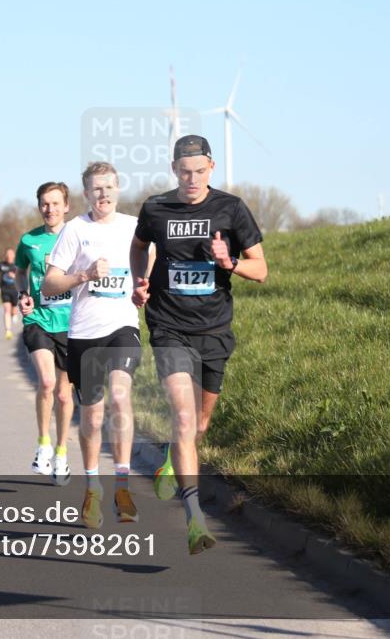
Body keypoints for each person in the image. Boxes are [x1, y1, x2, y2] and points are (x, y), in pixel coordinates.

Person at [130, 135, 267, 554]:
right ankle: (195, 519)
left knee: (199, 426)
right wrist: (139, 281)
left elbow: (261, 269)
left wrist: (230, 264)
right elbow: (138, 248)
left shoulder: (231, 208)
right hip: (168, 326)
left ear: (211, 168)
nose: (192, 179)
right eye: (184, 172)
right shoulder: (155, 208)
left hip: (214, 330)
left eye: (200, 172)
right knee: (184, 419)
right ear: (174, 170)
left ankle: (174, 458)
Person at [42, 161, 141, 529]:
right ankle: (92, 487)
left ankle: (123, 486)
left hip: (122, 327)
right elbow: (48, 285)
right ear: (87, 194)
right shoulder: (74, 230)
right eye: (97, 189)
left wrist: (147, 287)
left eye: (110, 187)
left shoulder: (134, 227)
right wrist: (83, 275)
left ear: (118, 189)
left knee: (120, 397)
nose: (104, 194)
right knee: (94, 416)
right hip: (84, 334)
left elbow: (153, 265)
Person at [15, 182, 75, 485]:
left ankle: (62, 452)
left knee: (65, 394)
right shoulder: (29, 240)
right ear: (39, 207)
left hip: (72, 323)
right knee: (47, 381)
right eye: (44, 204)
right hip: (37, 319)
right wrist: (22, 294)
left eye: (55, 203)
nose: (49, 209)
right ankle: (43, 443)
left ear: (66, 206)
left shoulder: (78, 236)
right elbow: (19, 272)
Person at [0, 248, 19, 339]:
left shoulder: (17, 265)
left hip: (15, 290)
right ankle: (8, 331)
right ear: (5, 256)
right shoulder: (1, 265)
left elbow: (21, 277)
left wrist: (14, 276)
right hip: (4, 290)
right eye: (7, 255)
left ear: (14, 256)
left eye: (11, 255)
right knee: (7, 309)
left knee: (14, 309)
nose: (9, 256)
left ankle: (14, 313)